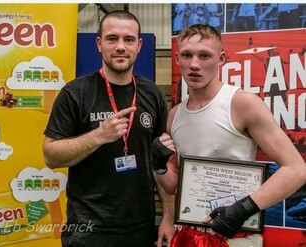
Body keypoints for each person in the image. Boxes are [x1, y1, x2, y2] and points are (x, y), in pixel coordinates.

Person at [153, 23, 306, 242]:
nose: (194, 64)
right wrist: (159, 166)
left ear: (221, 59)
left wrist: (243, 209)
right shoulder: (175, 114)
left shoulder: (242, 104)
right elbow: (174, 184)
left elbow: (297, 169)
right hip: (187, 232)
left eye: (204, 56)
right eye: (187, 55)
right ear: (177, 59)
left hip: (235, 236)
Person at [43, 10, 175, 247]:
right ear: (99, 44)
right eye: (112, 38)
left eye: (129, 39)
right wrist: (99, 136)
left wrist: (167, 216)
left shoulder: (153, 94)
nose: (121, 47)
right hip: (88, 229)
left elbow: (161, 162)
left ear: (139, 45)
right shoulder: (75, 93)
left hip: (141, 227)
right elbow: (51, 156)